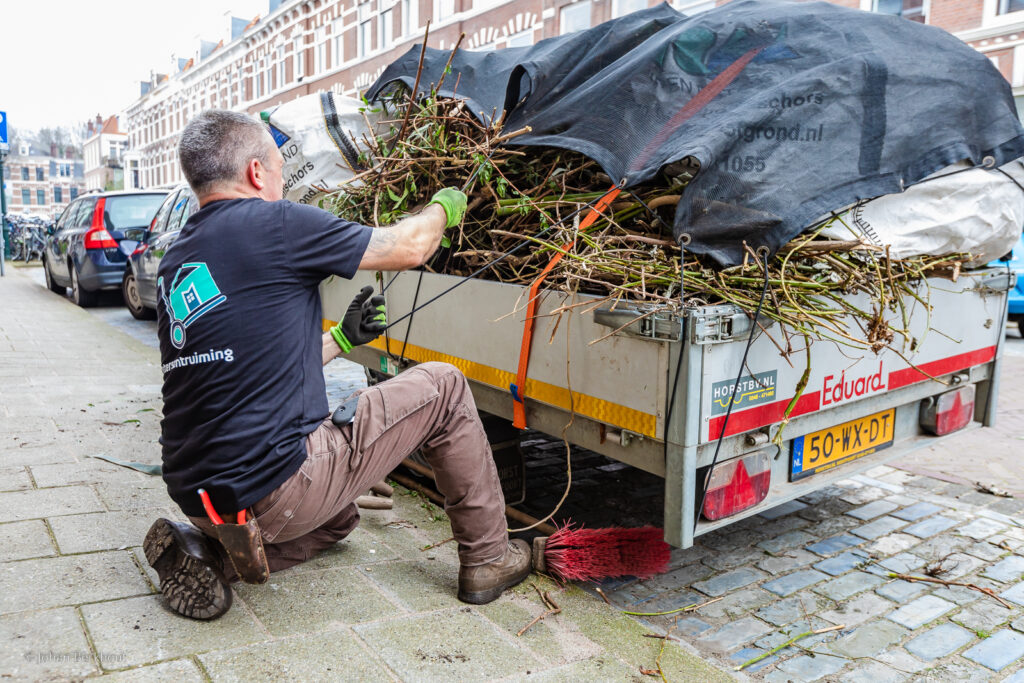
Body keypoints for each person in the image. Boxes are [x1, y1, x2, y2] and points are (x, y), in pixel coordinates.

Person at [143, 109, 530, 620]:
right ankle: (489, 557)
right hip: (274, 492)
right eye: (280, 169)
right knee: (445, 386)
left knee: (339, 521)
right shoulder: (274, 222)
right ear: (257, 172)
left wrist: (342, 339)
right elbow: (410, 247)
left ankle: (214, 556)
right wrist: (441, 207)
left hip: (199, 495)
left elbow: (244, 363)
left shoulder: (178, 260)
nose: (282, 182)